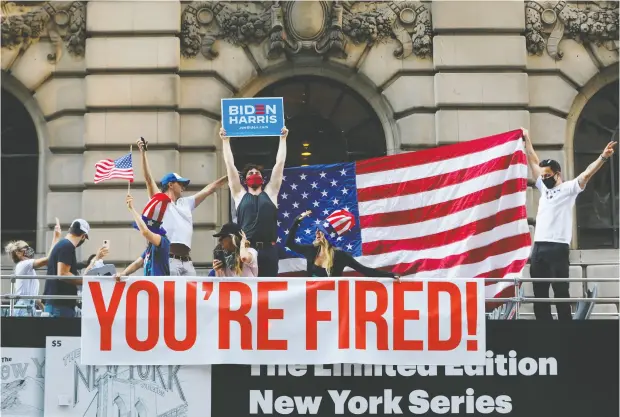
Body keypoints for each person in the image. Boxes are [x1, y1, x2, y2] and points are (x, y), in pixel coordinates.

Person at [522, 127, 617, 320]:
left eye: (548, 175)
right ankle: (543, 328)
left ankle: (565, 328)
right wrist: (527, 138)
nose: (544, 178)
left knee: (560, 291)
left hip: (558, 247)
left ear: (558, 174)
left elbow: (587, 174)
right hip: (539, 247)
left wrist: (603, 157)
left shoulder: (569, 188)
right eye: (543, 175)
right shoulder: (542, 186)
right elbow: (532, 159)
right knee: (539, 291)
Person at [136, 137, 227, 276]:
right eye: (181, 183)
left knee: (192, 298)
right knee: (170, 297)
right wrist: (143, 153)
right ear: (170, 184)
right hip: (170, 260)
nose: (184, 186)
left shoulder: (186, 203)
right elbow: (148, 180)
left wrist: (230, 177)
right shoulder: (161, 200)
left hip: (188, 262)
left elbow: (209, 189)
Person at [220, 126, 288, 277]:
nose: (254, 174)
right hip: (247, 249)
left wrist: (283, 139)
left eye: (257, 172)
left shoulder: (271, 193)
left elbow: (279, 164)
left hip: (269, 250)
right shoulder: (239, 194)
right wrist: (225, 141)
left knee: (270, 290)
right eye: (250, 173)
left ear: (262, 178)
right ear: (245, 179)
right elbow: (230, 165)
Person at [286, 209, 400, 279]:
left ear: (328, 236)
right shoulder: (311, 250)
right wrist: (296, 221)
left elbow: (365, 271)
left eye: (320, 231)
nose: (316, 233)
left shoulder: (340, 256)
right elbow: (290, 244)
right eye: (317, 230)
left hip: (333, 302)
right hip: (312, 301)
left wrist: (390, 275)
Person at [44, 219, 108, 317]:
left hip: (55, 303)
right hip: (61, 305)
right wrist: (86, 280)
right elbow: (63, 274)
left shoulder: (62, 245)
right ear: (83, 236)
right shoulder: (67, 246)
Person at [4, 218, 62, 316]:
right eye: (25, 248)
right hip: (24, 309)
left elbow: (32, 295)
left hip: (29, 308)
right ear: (18, 253)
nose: (29, 250)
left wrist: (43, 308)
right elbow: (48, 259)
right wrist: (56, 238)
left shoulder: (27, 267)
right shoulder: (23, 265)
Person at [115, 193, 172, 279]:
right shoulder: (150, 246)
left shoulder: (163, 241)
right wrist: (123, 274)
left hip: (160, 289)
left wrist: (132, 209)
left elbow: (145, 232)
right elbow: (137, 264)